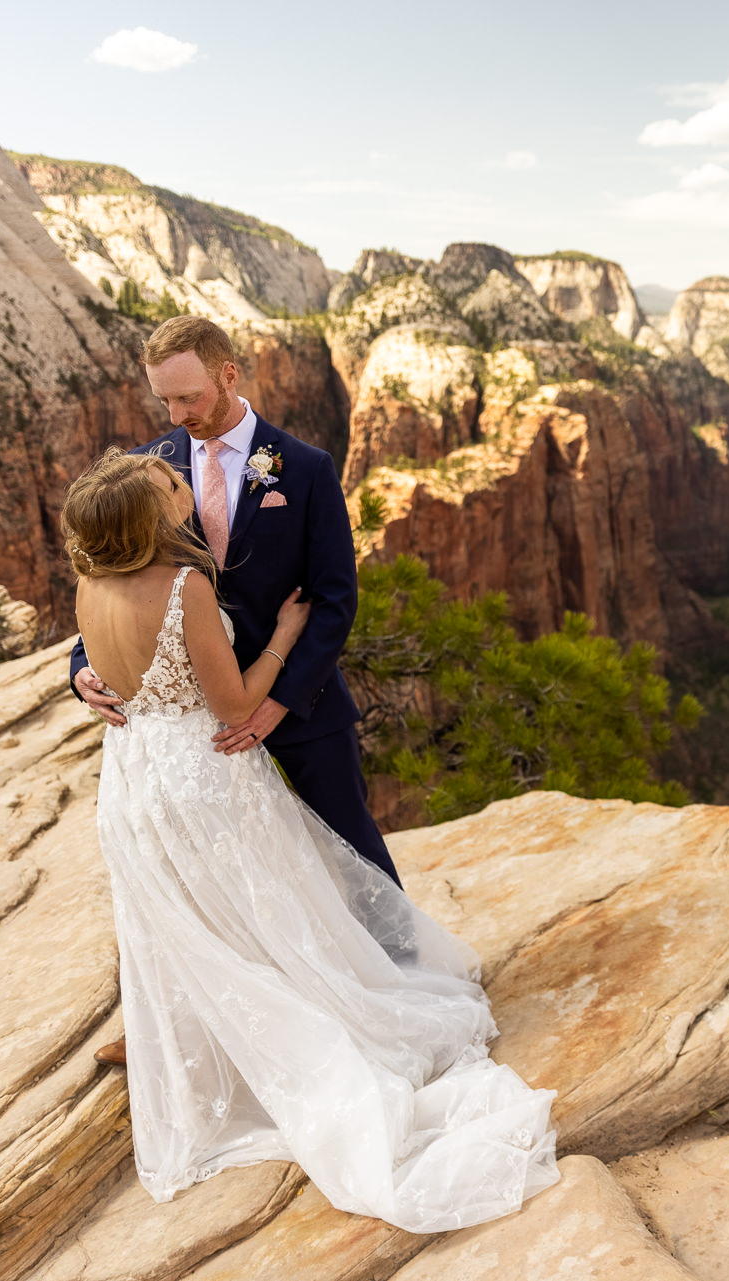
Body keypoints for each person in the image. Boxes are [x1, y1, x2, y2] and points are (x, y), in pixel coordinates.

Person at [62, 447, 558, 1232]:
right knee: (267, 906)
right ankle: (303, 1034)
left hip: (132, 779)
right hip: (205, 771)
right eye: (166, 485)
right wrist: (288, 632)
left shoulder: (92, 579)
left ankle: (211, 1039)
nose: (177, 480)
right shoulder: (184, 586)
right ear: (147, 517)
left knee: (187, 917)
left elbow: (97, 665)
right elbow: (232, 703)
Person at [71, 315, 396, 1066]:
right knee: (182, 874)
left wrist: (275, 704)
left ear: (228, 374)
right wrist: (83, 666)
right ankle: (176, 1015)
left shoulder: (306, 467)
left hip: (292, 702)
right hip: (192, 716)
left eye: (187, 397)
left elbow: (335, 598)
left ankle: (394, 972)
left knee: (352, 840)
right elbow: (107, 581)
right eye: (164, 402)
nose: (175, 418)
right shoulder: (150, 468)